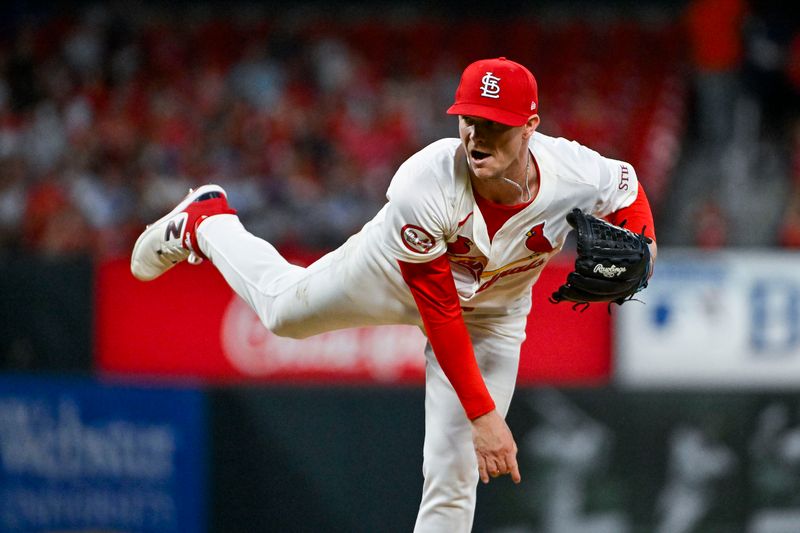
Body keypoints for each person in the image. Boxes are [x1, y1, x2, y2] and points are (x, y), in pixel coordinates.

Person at [131, 57, 657, 532]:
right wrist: (482, 414)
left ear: (530, 129)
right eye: (469, 119)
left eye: (495, 125)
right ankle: (206, 223)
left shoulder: (575, 172)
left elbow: (628, 191)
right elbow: (440, 308)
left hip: (492, 314)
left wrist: (646, 248)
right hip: (393, 273)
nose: (477, 136)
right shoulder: (422, 185)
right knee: (282, 313)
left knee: (453, 476)